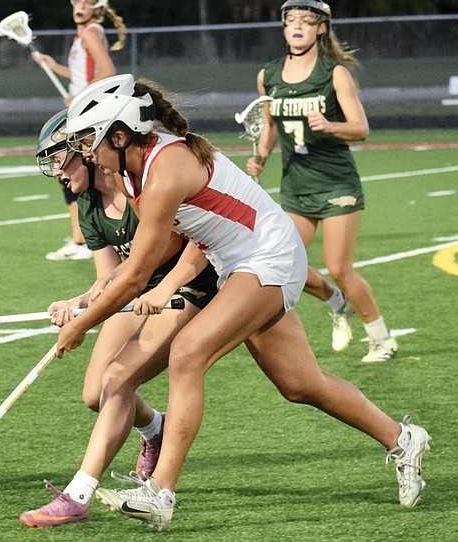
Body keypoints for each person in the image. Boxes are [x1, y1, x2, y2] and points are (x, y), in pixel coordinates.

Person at [55, 74, 430, 531]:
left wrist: (82, 323)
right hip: (237, 262)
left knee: (188, 353)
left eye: (89, 141)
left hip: (267, 256)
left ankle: (161, 492)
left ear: (120, 134)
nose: (86, 153)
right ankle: (402, 437)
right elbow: (191, 236)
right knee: (299, 383)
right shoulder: (134, 174)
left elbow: (135, 272)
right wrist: (137, 291)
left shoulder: (165, 167)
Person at [19, 111, 218, 527]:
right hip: (137, 293)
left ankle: (77, 495)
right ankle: (154, 429)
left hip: (188, 287)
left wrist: (148, 292)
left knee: (117, 380)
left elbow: (194, 242)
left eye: (60, 159)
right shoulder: (88, 205)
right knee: (95, 394)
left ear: (86, 153)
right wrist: (77, 304)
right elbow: (105, 279)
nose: (57, 172)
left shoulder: (139, 187)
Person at [246, 0, 398, 362]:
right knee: (282, 260)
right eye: (291, 19)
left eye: (306, 19)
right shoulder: (268, 75)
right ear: (283, 28)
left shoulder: (334, 73)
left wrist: (331, 125)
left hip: (336, 182)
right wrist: (261, 157)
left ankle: (381, 338)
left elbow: (360, 127)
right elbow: (268, 125)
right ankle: (335, 302)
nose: (297, 25)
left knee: (340, 267)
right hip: (296, 184)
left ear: (320, 27)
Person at [31, 0, 127, 261]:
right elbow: (82, 76)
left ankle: (83, 238)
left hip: (89, 113)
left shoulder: (91, 34)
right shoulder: (83, 35)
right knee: (71, 172)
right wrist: (52, 65)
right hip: (83, 109)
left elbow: (108, 71)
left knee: (73, 171)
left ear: (97, 8)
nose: (80, 7)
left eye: (87, 3)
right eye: (78, 1)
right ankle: (79, 236)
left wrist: (80, 97)